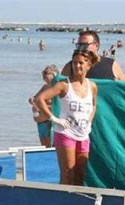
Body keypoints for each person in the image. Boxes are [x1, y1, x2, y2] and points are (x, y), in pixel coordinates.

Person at [36, 49, 99, 185]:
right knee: (68, 174)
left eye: (81, 63)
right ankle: (62, 203)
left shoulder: (92, 86)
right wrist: (54, 118)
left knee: (80, 175)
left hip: (83, 134)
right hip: (65, 134)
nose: (77, 66)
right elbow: (40, 99)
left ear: (88, 65)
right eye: (74, 63)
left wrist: (89, 120)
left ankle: (76, 204)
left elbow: (94, 105)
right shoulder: (64, 85)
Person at [61, 30, 125, 81]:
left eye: (85, 45)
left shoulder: (111, 64)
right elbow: (59, 88)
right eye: (79, 45)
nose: (81, 48)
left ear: (96, 46)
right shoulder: (71, 66)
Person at [28, 64, 60, 147]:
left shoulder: (58, 88)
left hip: (49, 121)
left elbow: (58, 106)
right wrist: (32, 100)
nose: (43, 75)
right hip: (40, 122)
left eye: (46, 73)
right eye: (43, 73)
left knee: (52, 147)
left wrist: (42, 107)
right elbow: (34, 99)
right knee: (44, 147)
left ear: (54, 74)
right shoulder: (45, 87)